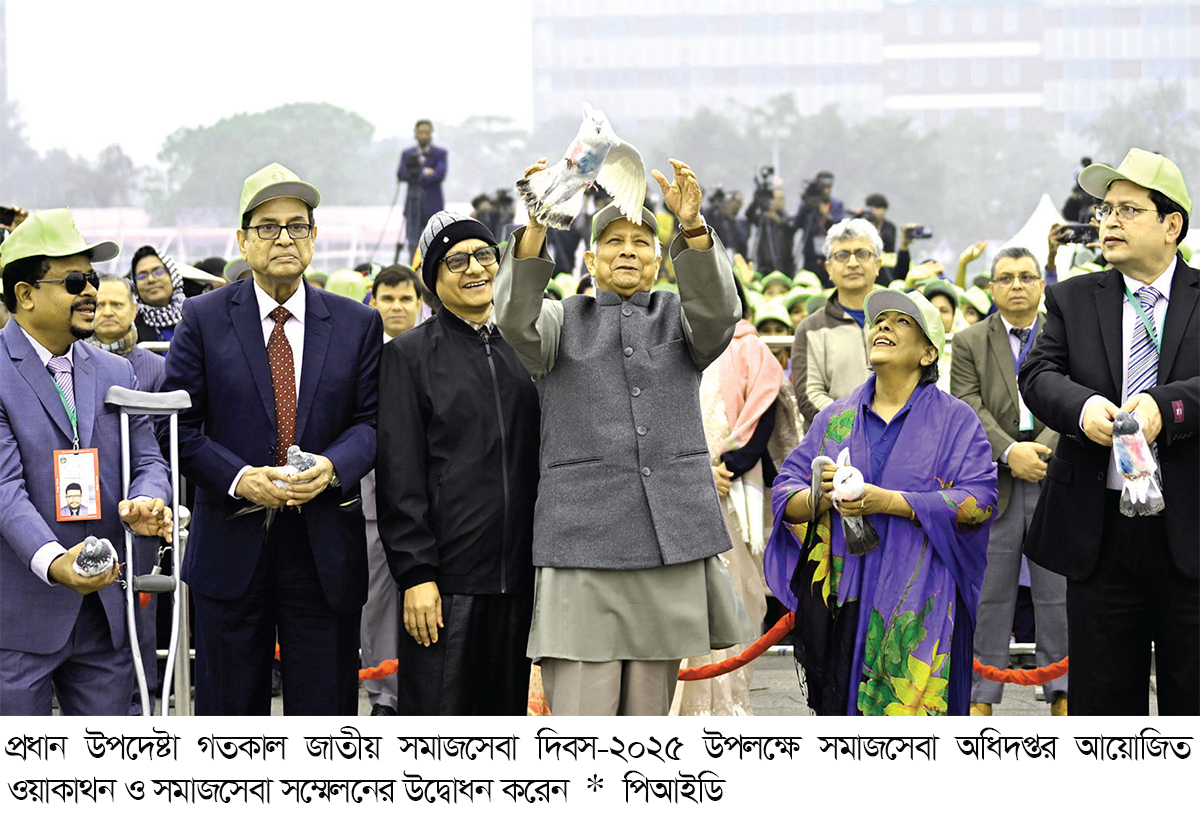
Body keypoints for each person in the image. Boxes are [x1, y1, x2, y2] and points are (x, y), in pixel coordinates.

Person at [494, 158, 755, 716]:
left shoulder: (678, 319)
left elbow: (718, 316)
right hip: (582, 547)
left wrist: (692, 229)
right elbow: (515, 323)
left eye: (641, 242)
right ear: (590, 259)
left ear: (661, 263)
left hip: (667, 545)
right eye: (614, 242)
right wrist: (537, 224)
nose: (629, 251)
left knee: (646, 722)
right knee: (582, 726)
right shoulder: (562, 320)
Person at [162, 162, 382, 716]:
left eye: (297, 225)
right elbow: (178, 426)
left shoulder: (357, 324)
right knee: (229, 721)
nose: (284, 237)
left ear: (313, 236)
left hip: (324, 548)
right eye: (267, 226)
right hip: (231, 549)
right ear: (242, 239)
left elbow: (372, 422)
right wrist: (239, 479)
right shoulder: (203, 318)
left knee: (326, 719)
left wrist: (331, 467)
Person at [1019, 147, 1198, 715]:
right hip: (1099, 534)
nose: (1108, 221)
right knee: (1103, 706)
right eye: (1104, 210)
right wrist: (1084, 407)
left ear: (1172, 225)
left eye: (1128, 209)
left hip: (1189, 529)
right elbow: (1039, 373)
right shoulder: (1073, 297)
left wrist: (1164, 408)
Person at [766, 289, 997, 715]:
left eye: (901, 321)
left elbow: (979, 501)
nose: (883, 326)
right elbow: (785, 494)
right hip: (845, 601)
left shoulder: (956, 420)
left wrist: (890, 501)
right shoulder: (834, 418)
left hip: (925, 601)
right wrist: (822, 495)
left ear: (929, 354)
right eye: (880, 321)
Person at [0, 208, 172, 715]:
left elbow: (148, 459)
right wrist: (57, 563)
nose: (91, 292)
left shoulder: (117, 370)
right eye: (74, 279)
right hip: (20, 618)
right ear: (26, 293)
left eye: (93, 278)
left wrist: (147, 498)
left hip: (104, 613)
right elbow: (5, 490)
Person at [376, 212, 540, 716]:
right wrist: (416, 576)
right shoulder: (409, 356)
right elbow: (399, 477)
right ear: (433, 276)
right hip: (447, 586)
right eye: (457, 260)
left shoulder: (528, 345)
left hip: (524, 576)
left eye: (485, 255)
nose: (475, 269)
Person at [950, 247, 1068, 716]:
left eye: (1026, 277)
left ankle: (1062, 690)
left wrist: (1040, 449)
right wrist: (1009, 451)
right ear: (991, 288)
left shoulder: (1066, 336)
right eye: (1006, 278)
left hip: (1054, 476)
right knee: (990, 595)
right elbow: (967, 405)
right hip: (994, 483)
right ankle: (981, 697)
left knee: (1057, 594)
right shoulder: (968, 341)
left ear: (1041, 284)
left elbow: (1079, 394)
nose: (1016, 285)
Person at [673, 279, 786, 716]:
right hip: (681, 490)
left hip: (734, 490)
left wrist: (729, 466)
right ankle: (685, 706)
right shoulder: (673, 344)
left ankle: (729, 705)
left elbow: (764, 414)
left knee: (738, 594)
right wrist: (695, 473)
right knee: (685, 598)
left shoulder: (749, 346)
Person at [356, 264, 426, 716]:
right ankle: (385, 698)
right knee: (377, 605)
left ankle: (423, 694)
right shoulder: (360, 356)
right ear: (373, 302)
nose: (397, 307)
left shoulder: (430, 352)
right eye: (388, 299)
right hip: (372, 503)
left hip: (430, 503)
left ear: (419, 304)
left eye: (405, 299)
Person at [790, 218, 882, 430]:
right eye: (842, 255)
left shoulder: (898, 320)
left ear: (878, 264)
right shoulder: (811, 329)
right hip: (834, 444)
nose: (852, 263)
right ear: (829, 268)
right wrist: (855, 424)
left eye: (862, 254)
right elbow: (810, 396)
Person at [398, 119, 448, 259]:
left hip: (432, 205)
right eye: (421, 132)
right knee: (413, 242)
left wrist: (417, 175)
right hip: (413, 204)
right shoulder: (408, 154)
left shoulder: (439, 153)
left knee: (433, 241)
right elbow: (401, 174)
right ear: (415, 134)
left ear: (431, 134)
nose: (424, 136)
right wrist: (425, 171)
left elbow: (439, 175)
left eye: (427, 133)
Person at [128, 246, 186, 344]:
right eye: (142, 276)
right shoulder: (129, 326)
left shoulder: (193, 315)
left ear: (172, 276)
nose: (151, 279)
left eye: (158, 272)